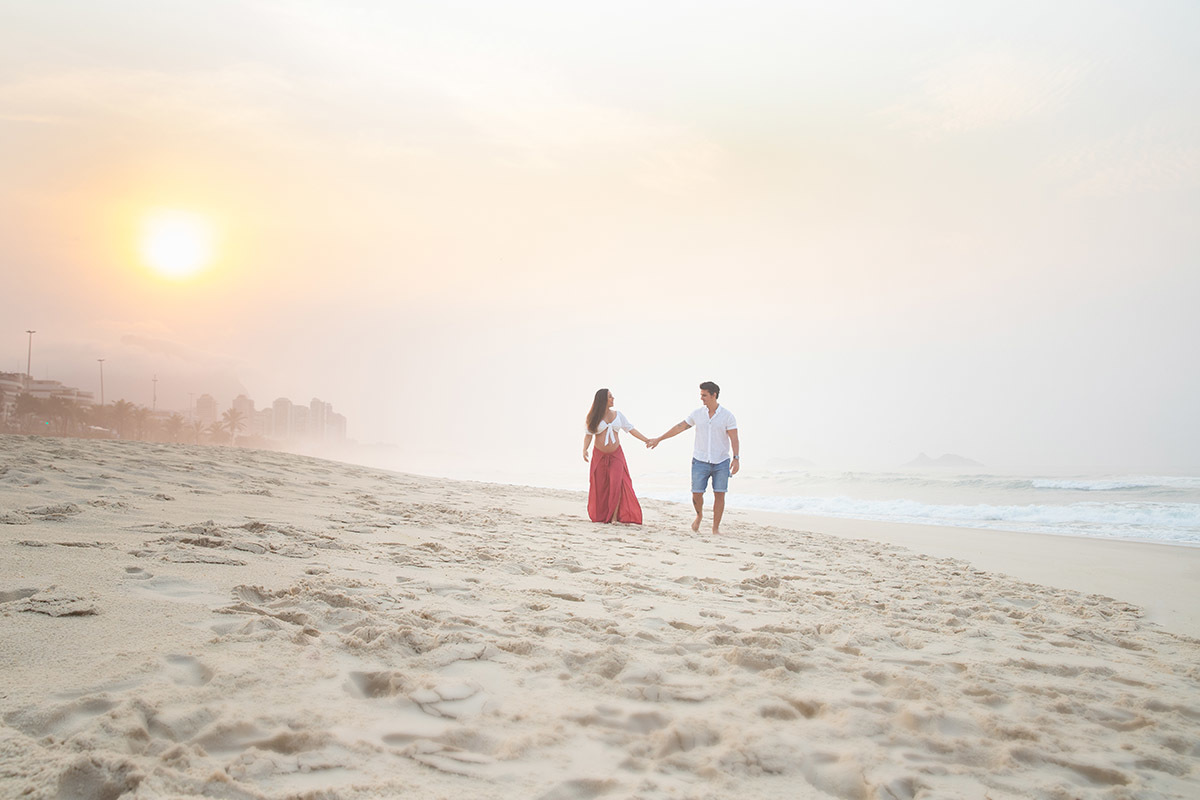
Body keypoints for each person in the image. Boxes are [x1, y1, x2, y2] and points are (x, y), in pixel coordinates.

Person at [648, 381, 739, 534]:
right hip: (700, 460)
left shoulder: (727, 416)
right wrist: (659, 439)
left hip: (721, 461)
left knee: (720, 493)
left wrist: (736, 458)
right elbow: (679, 427)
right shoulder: (697, 414)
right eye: (701, 395)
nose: (701, 398)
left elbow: (734, 438)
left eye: (704, 395)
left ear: (713, 395)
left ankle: (715, 528)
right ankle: (699, 515)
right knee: (696, 493)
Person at [582, 388, 650, 524]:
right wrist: (585, 450)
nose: (613, 399)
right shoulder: (593, 417)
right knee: (600, 485)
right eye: (610, 397)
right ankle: (603, 514)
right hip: (599, 455)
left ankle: (613, 517)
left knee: (616, 483)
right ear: (603, 400)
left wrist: (646, 440)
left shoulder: (618, 415)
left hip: (616, 454)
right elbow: (588, 435)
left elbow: (631, 429)